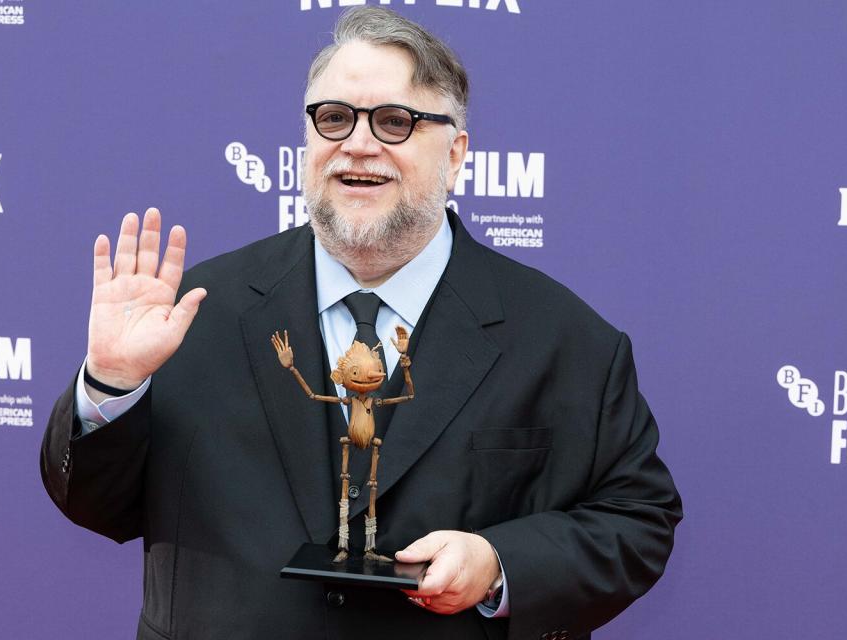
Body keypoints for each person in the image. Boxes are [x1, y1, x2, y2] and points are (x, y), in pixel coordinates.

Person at [41, 7, 681, 640]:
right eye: (335, 118)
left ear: (456, 153)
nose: (358, 143)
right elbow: (98, 506)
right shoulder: (191, 313)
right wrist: (111, 385)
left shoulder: (566, 340)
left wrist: (498, 564)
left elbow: (636, 522)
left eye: (396, 121)